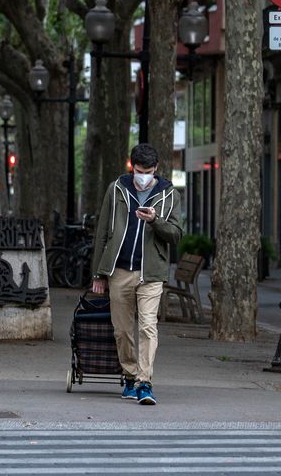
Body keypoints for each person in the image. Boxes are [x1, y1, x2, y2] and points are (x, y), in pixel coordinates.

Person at [89, 142, 182, 406]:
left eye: (149, 171)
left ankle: (144, 382)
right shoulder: (117, 189)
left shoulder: (169, 194)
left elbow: (175, 234)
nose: (144, 176)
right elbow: (103, 232)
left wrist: (155, 220)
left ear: (156, 169)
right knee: (122, 330)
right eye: (140, 170)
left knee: (148, 327)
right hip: (120, 270)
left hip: (151, 273)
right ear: (132, 167)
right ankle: (129, 375)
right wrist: (98, 273)